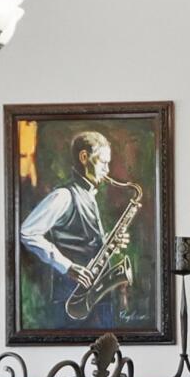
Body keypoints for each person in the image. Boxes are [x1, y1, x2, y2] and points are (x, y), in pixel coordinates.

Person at [20, 129, 133, 314]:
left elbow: (81, 237)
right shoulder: (63, 196)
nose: (107, 170)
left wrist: (108, 242)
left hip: (94, 298)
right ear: (84, 157)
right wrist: (67, 267)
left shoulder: (89, 194)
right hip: (72, 298)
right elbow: (27, 232)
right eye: (103, 162)